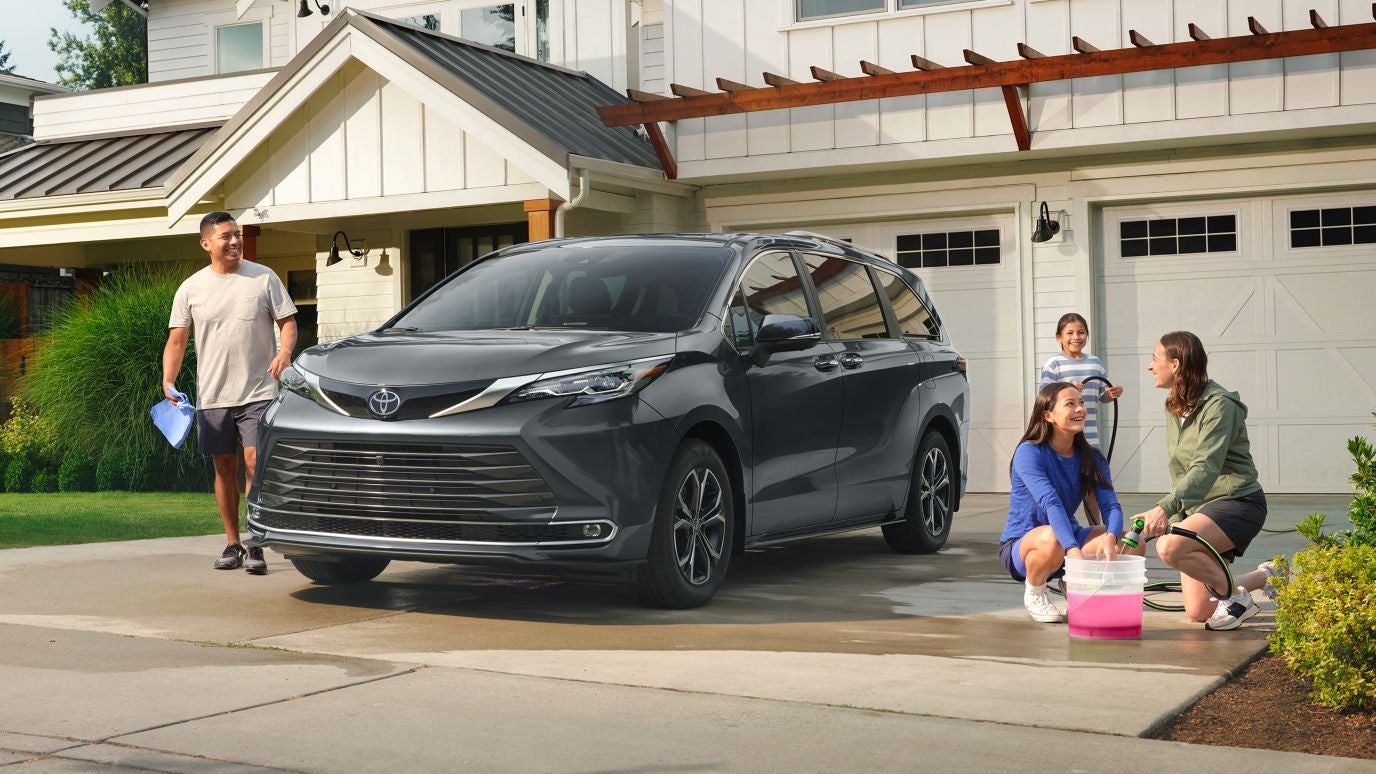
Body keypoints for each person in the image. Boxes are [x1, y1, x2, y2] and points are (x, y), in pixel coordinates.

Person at [162, 211, 297, 574]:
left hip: (259, 391)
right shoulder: (191, 288)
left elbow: (287, 323)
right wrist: (168, 381)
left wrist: (284, 352)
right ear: (207, 243)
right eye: (226, 236)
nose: (235, 241)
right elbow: (177, 340)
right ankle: (233, 543)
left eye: (237, 235)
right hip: (213, 396)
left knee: (255, 463)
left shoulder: (263, 277)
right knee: (224, 468)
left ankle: (256, 543)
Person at [1131, 331, 1276, 631]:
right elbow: (1182, 470)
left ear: (1175, 364)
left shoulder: (1220, 405)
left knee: (1170, 547)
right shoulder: (1173, 406)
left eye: (1154, 359)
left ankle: (1238, 599)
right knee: (1199, 611)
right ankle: (1268, 577)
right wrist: (1174, 516)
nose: (1149, 366)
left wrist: (1164, 509)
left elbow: (1205, 467)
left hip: (1237, 503)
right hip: (1200, 510)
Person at [1000, 382, 1125, 623]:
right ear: (1048, 415)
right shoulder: (1029, 452)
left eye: (1081, 403)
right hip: (1026, 547)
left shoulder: (1092, 457)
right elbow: (1051, 503)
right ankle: (1035, 591)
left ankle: (1073, 585)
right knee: (1052, 537)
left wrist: (1111, 537)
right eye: (1070, 404)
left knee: (1131, 541)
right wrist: (1073, 551)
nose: (1080, 409)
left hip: (1067, 539)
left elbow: (1111, 506)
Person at [1039, 312, 1123, 454]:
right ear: (1059, 337)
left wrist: (1114, 393)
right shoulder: (1053, 364)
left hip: (1090, 437)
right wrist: (1067, 390)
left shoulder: (1095, 363)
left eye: (1081, 332)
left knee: (1089, 474)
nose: (1076, 337)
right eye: (1070, 333)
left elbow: (1103, 396)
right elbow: (1045, 399)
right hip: (1063, 437)